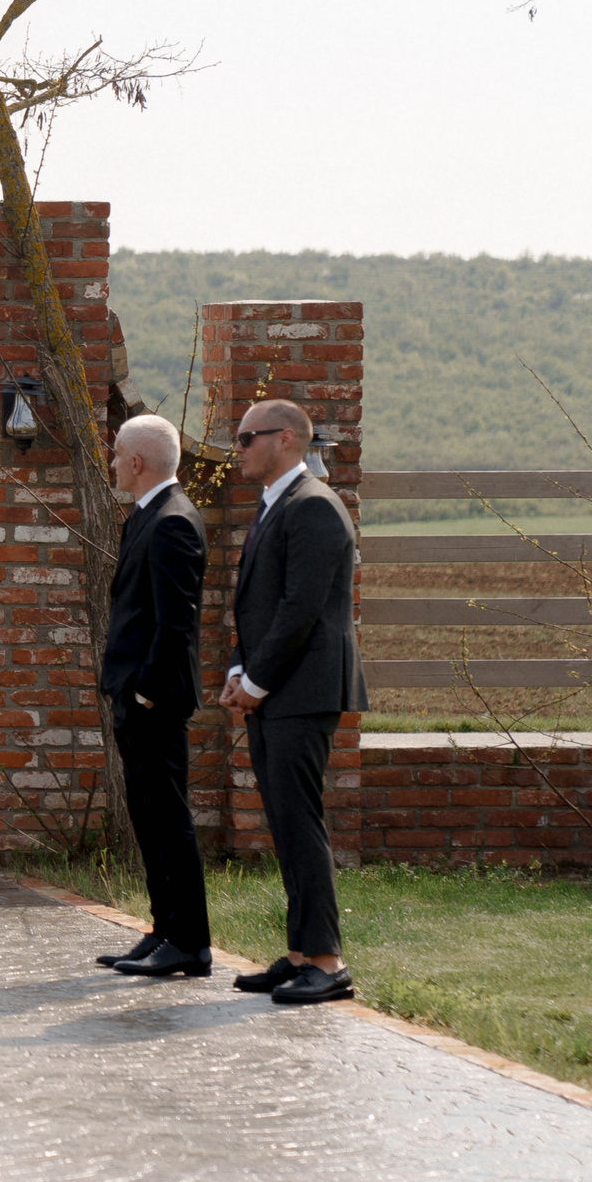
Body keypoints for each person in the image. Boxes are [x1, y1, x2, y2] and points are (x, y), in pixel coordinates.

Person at [220, 398, 367, 1005]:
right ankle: (302, 952)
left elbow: (299, 610)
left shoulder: (313, 508)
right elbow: (256, 605)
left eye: (246, 438)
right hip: (274, 688)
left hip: (300, 692)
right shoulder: (277, 504)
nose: (238, 449)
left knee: (301, 824)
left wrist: (256, 684)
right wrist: (239, 668)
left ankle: (328, 963)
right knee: (283, 821)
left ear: (285, 439)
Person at [92, 414, 213, 979]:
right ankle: (164, 929)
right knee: (147, 814)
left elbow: (176, 621)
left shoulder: (172, 522)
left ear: (136, 462)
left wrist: (145, 692)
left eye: (117, 455)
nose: (113, 464)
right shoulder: (145, 516)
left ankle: (189, 941)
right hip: (133, 693)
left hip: (154, 699)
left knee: (168, 816)